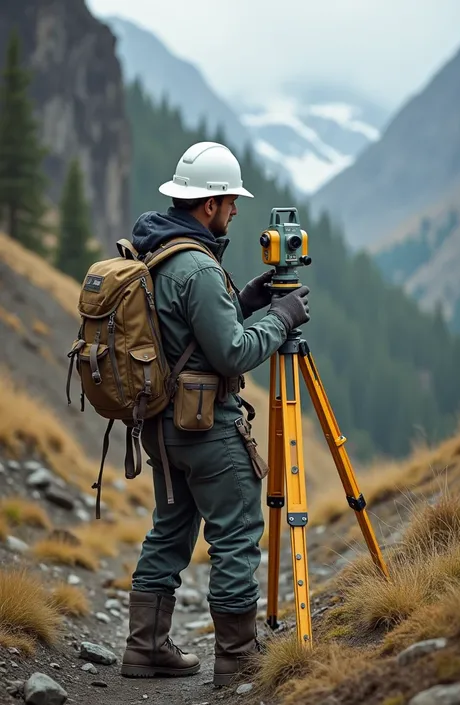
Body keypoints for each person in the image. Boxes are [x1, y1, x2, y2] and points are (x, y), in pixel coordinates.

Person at [120, 141, 310, 685]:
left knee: (170, 530)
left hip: (161, 427)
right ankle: (236, 657)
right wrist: (280, 318)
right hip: (205, 428)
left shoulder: (154, 250)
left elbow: (182, 331)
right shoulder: (197, 267)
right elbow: (230, 353)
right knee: (236, 533)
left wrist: (243, 303)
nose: (235, 211)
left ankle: (144, 649)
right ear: (209, 205)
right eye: (230, 202)